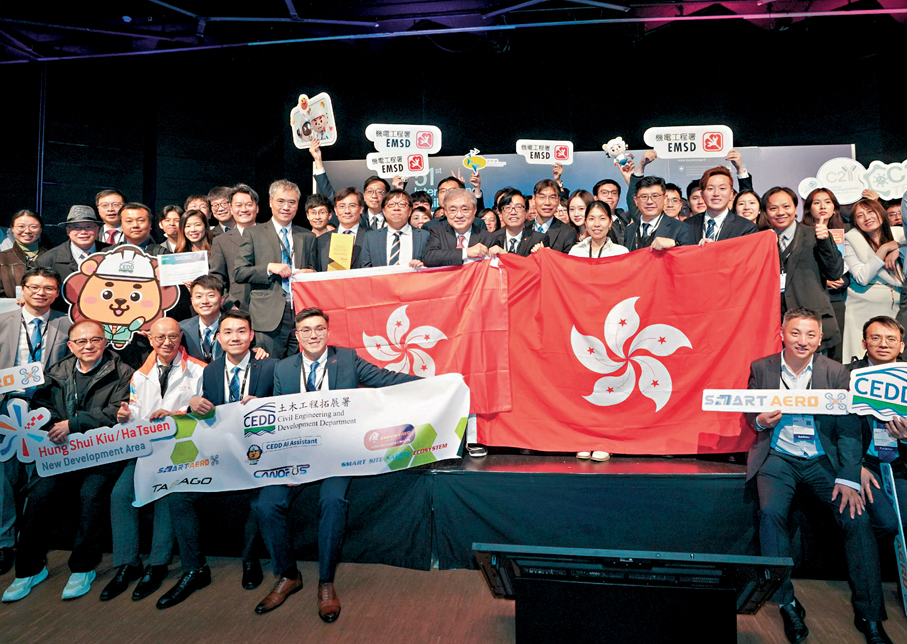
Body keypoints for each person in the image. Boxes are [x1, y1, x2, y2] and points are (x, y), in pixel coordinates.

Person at [255, 307, 419, 621]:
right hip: (295, 455)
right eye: (306, 330)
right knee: (267, 504)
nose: (313, 335)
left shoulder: (346, 359)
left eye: (319, 329)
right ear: (297, 335)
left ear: (328, 332)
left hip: (337, 454)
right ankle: (289, 575)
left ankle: (326, 582)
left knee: (332, 501)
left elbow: (386, 379)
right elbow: (277, 415)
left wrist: (437, 384)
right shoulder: (284, 368)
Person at [747, 308, 891, 644]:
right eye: (796, 333)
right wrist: (760, 421)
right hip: (779, 457)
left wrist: (849, 476)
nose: (803, 340)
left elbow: (849, 429)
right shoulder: (762, 367)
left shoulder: (835, 371)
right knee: (770, 514)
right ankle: (787, 603)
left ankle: (870, 615)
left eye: (811, 334)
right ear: (782, 334)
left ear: (820, 339)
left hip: (822, 459)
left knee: (857, 519)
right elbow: (749, 412)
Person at [3, 320, 132, 602]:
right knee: (39, 495)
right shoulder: (57, 372)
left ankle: (83, 567)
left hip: (102, 454)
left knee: (92, 494)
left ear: (105, 341)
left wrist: (73, 424)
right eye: (81, 341)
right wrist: (54, 424)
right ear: (71, 346)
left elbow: (118, 412)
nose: (89, 346)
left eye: (95, 340)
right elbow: (41, 406)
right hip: (62, 453)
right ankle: (29, 569)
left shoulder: (123, 372)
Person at [157, 309, 278, 609]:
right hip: (220, 455)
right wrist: (193, 404)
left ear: (251, 336)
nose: (235, 337)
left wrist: (265, 405)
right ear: (219, 339)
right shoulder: (210, 371)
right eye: (228, 332)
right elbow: (204, 414)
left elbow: (287, 406)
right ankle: (195, 569)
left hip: (260, 454)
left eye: (241, 331)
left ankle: (250, 559)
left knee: (259, 499)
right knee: (178, 496)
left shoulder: (271, 366)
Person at [100, 317, 204, 602]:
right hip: (146, 451)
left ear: (181, 337)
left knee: (166, 494)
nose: (167, 343)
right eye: (160, 337)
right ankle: (128, 563)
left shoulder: (199, 370)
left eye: (173, 336)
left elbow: (208, 415)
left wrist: (176, 416)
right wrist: (125, 416)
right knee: (120, 495)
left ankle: (157, 565)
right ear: (149, 339)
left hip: (182, 450)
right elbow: (135, 413)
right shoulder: (139, 374)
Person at [0, 267, 71, 577]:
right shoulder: (4, 321)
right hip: (6, 406)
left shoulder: (67, 324)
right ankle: (4, 543)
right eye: (35, 287)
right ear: (23, 290)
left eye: (49, 288)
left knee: (38, 478)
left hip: (45, 408)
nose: (41, 293)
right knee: (3, 478)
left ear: (57, 293)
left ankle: (31, 540)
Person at [234, 179, 317, 359]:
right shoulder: (254, 234)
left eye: (292, 202)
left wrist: (310, 274)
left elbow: (314, 270)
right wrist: (269, 268)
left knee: (300, 365)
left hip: (301, 312)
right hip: (268, 316)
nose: (286, 207)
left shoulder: (307, 236)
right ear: (271, 202)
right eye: (281, 201)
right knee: (269, 366)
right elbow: (239, 272)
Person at [847, 317, 907, 548]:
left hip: (900, 464)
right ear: (864, 343)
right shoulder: (847, 377)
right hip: (865, 464)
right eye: (876, 338)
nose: (883, 344)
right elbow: (833, 430)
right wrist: (855, 467)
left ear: (901, 346)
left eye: (891, 339)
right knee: (887, 523)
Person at [762, 186, 844, 354]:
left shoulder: (815, 235)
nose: (780, 212)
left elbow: (834, 272)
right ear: (765, 212)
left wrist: (825, 241)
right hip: (775, 328)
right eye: (773, 208)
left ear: (795, 208)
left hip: (811, 324)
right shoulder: (761, 240)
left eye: (786, 206)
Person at [841, 198, 904, 363]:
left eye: (870, 212)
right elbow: (862, 277)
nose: (867, 217)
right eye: (860, 215)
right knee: (861, 360)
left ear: (881, 213)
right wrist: (884, 249)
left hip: (896, 306)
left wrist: (899, 249)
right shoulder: (851, 239)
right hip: (861, 309)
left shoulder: (900, 235)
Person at [209, 184, 259, 309]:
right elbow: (217, 278)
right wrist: (229, 304)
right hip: (238, 308)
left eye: (249, 204)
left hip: (271, 306)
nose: (244, 209)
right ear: (231, 209)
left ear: (257, 208)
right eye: (238, 205)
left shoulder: (271, 234)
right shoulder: (221, 241)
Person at [684, 166, 758, 244]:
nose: (716, 193)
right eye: (710, 188)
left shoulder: (746, 228)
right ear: (702, 194)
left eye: (722, 188)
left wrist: (716, 248)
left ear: (731, 194)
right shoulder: (686, 225)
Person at [423, 189, 496, 267]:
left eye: (465, 210)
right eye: (453, 210)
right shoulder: (438, 233)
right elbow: (429, 258)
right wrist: (465, 252)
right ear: (446, 212)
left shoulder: (488, 238)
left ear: (474, 210)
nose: (459, 215)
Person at [624, 173, 695, 252]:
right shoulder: (629, 230)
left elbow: (688, 256)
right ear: (636, 201)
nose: (649, 201)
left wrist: (675, 245)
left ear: (664, 199)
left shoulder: (680, 228)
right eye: (644, 197)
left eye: (655, 196)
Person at [360, 190, 428, 268]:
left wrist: (422, 266)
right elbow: (366, 270)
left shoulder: (424, 236)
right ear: (384, 211)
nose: (396, 208)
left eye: (402, 204)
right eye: (391, 204)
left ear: (410, 211)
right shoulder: (371, 238)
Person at [314, 187, 368, 271]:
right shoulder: (321, 241)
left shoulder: (371, 238)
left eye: (352, 206)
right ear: (335, 210)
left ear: (361, 209)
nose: (347, 211)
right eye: (342, 206)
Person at [0, 210, 49, 299]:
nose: (27, 231)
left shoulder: (52, 257)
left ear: (41, 229)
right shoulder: (2, 258)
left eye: (33, 227)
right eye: (21, 226)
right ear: (12, 228)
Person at [488, 189, 547, 257]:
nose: (513, 212)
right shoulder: (492, 239)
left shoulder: (539, 240)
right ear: (500, 214)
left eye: (518, 207)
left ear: (527, 212)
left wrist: (505, 254)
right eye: (508, 207)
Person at [530, 179, 576, 253]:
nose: (547, 203)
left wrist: (550, 255)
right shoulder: (522, 228)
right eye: (542, 197)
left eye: (552, 197)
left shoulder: (568, 233)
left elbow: (567, 260)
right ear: (534, 199)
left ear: (558, 200)